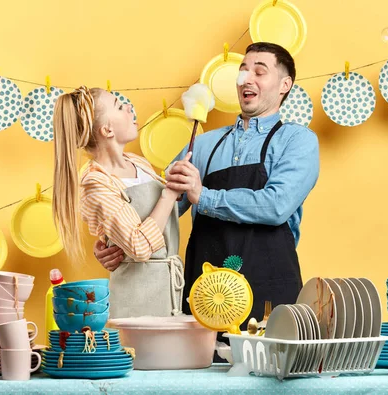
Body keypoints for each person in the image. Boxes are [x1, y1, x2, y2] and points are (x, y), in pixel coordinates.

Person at [95, 42, 320, 326]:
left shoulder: (297, 141)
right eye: (243, 71)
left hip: (270, 292)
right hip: (203, 294)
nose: (246, 79)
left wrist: (203, 195)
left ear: (284, 84)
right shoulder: (201, 145)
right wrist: (114, 238)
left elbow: (276, 205)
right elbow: (160, 208)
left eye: (259, 72)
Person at [52, 86, 188, 319]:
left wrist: (180, 189)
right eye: (118, 105)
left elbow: (159, 219)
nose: (129, 107)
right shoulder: (95, 182)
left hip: (168, 292)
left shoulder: (137, 162)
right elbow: (139, 247)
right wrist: (169, 194)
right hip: (135, 301)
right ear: (107, 129)